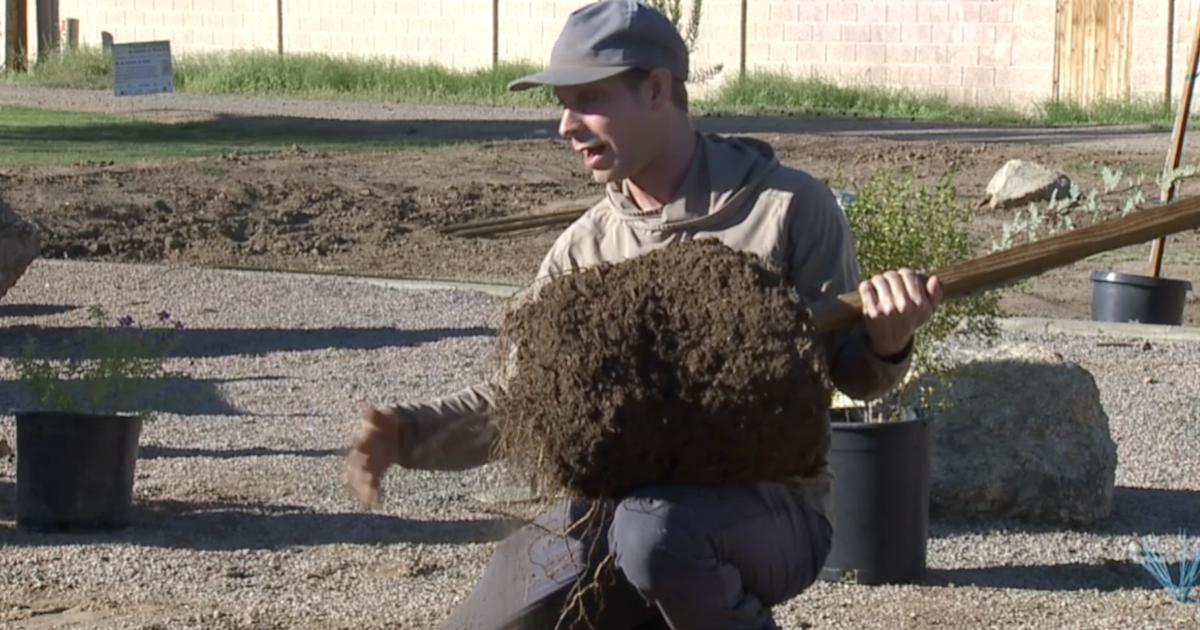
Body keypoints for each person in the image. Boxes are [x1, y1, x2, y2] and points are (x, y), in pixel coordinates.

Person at [345, 1, 944, 628]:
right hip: (622, 501)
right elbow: (524, 402)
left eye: (588, 99)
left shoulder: (786, 208)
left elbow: (852, 373)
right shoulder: (584, 251)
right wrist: (405, 433)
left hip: (773, 505)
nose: (566, 125)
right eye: (561, 104)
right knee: (501, 612)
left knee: (653, 537)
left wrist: (888, 340)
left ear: (656, 89)